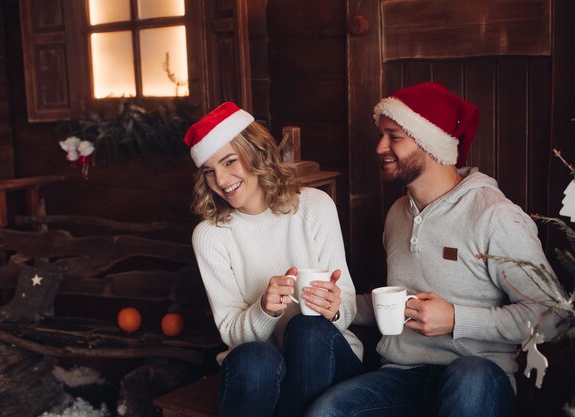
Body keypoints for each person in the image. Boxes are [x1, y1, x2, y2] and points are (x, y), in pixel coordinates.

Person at [304, 82, 563, 417]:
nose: (380, 146)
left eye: (393, 136)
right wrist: (340, 303)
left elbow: (553, 314)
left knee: (468, 379)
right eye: (381, 135)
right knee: (326, 410)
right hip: (403, 376)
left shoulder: (495, 216)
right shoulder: (397, 213)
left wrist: (457, 319)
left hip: (479, 376)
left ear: (430, 142)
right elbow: (397, 303)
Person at [184, 102, 364, 417]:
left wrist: (335, 308)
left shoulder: (315, 207)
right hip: (260, 375)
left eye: (229, 162)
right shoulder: (210, 236)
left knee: (307, 329)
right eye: (209, 171)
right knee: (254, 358)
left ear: (257, 153)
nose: (222, 180)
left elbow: (346, 306)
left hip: (327, 360)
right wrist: (264, 310)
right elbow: (231, 335)